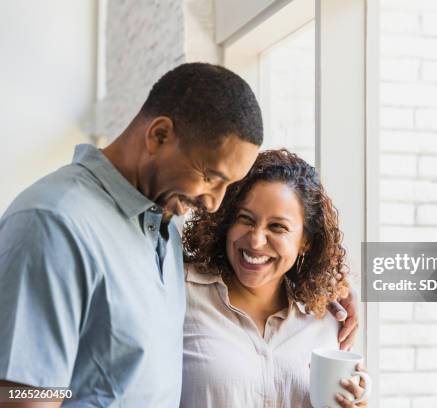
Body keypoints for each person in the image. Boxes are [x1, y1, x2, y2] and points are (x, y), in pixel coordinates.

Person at [0, 63, 358, 407]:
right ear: (159, 135)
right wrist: (49, 393)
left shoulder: (163, 225)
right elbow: (16, 392)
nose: (215, 203)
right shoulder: (53, 223)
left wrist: (334, 287)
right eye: (210, 176)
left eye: (227, 186)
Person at [180, 149, 368, 408]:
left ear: (306, 242)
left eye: (277, 226)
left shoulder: (327, 318)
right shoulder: (182, 294)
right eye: (245, 219)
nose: (256, 240)